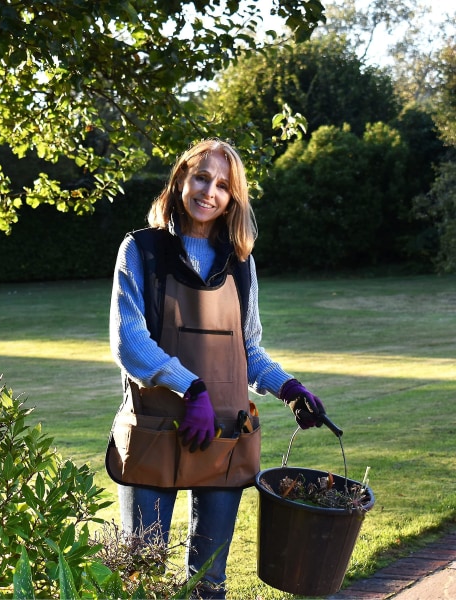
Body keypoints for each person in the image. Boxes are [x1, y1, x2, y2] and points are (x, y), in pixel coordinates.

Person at [107, 138, 325, 599]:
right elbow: (130, 344)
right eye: (201, 177)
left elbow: (247, 349)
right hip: (153, 430)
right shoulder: (141, 251)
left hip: (224, 433)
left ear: (232, 198)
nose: (209, 191)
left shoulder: (240, 263)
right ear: (180, 180)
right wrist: (193, 390)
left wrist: (288, 387)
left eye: (223, 185)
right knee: (139, 573)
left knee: (209, 581)